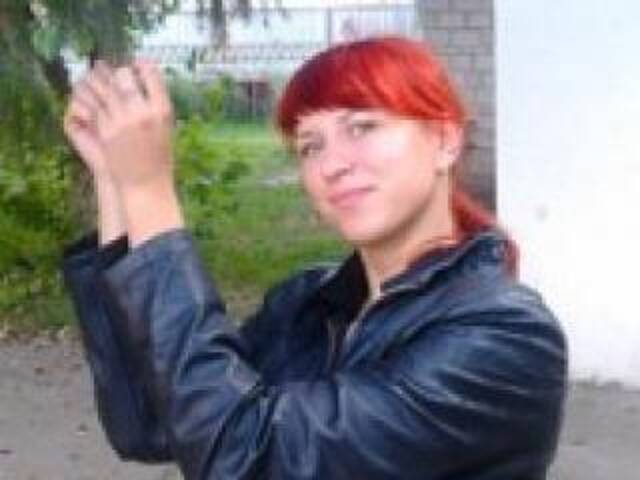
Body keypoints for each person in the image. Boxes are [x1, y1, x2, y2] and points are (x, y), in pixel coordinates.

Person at [62, 36, 567, 479]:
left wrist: (149, 190)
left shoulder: (505, 336)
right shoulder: (310, 304)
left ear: (445, 140)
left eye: (362, 127)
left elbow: (245, 460)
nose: (333, 164)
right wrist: (114, 179)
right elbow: (154, 422)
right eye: (310, 146)